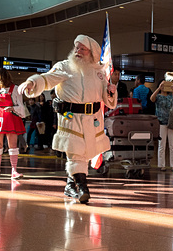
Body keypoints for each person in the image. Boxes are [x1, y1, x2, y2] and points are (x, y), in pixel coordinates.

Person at [20, 35, 116, 204]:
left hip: (93, 120)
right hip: (72, 119)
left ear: (91, 52)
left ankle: (71, 185)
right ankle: (82, 187)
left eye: (82, 49)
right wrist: (32, 83)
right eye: (76, 48)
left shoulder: (98, 72)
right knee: (76, 153)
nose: (78, 51)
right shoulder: (65, 67)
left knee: (84, 154)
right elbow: (48, 79)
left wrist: (111, 92)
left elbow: (107, 100)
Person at [150, 80, 173, 171]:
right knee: (161, 145)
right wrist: (159, 88)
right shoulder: (158, 96)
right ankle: (161, 165)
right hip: (161, 122)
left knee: (172, 145)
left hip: (171, 122)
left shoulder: (170, 96)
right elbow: (152, 98)